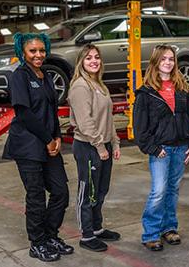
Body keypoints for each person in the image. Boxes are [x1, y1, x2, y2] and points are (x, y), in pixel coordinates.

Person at [2, 33, 74, 262]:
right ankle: (37, 242)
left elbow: (52, 110)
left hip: (48, 142)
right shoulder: (19, 76)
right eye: (33, 51)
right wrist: (47, 139)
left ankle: (51, 235)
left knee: (60, 191)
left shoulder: (46, 76)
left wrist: (57, 137)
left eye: (42, 50)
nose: (38, 55)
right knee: (35, 197)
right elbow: (24, 113)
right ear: (22, 52)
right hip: (28, 145)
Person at [133, 44, 189, 251]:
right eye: (163, 59)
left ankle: (169, 228)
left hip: (181, 148)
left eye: (171, 59)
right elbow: (140, 127)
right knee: (159, 190)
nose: (168, 63)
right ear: (155, 62)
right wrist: (153, 148)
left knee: (172, 190)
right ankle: (151, 234)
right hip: (161, 149)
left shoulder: (184, 89)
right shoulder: (146, 93)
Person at [67, 44, 122, 252]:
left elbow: (108, 119)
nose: (93, 61)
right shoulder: (81, 86)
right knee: (88, 191)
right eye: (88, 58)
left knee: (101, 190)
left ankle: (97, 228)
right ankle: (87, 236)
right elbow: (85, 123)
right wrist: (100, 146)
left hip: (103, 144)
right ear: (81, 61)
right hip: (88, 146)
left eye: (96, 57)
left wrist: (114, 142)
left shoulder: (99, 84)